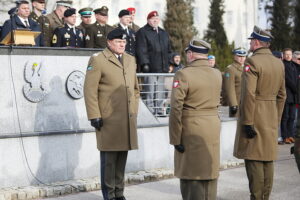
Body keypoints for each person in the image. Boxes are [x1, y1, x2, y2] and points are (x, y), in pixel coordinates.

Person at [83, 28, 140, 200]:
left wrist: (133, 110)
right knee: (109, 160)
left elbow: (136, 89)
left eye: (124, 42)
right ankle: (109, 195)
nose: (122, 44)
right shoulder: (98, 60)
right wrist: (94, 115)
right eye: (118, 42)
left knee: (122, 157)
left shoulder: (130, 59)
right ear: (109, 42)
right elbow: (89, 90)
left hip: (126, 119)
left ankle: (119, 193)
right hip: (107, 119)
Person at [233, 25, 286, 200]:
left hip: (254, 115)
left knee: (254, 159)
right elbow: (282, 95)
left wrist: (247, 121)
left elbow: (249, 94)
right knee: (267, 159)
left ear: (256, 42)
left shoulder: (252, 61)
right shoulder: (278, 63)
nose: (250, 44)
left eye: (251, 41)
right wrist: (275, 117)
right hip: (270, 115)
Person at [169, 38, 222, 200]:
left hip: (191, 128)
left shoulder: (183, 74)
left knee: (191, 177)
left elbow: (176, 108)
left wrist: (175, 138)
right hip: (212, 126)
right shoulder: (217, 73)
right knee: (209, 175)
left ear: (191, 54)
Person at [136, 10, 172, 115]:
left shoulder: (163, 32)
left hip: (162, 67)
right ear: (148, 20)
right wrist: (145, 63)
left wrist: (170, 62)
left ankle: (160, 109)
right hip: (150, 67)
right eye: (153, 19)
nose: (155, 21)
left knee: (160, 90)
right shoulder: (143, 32)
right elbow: (141, 49)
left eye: (157, 19)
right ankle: (150, 111)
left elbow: (168, 49)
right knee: (150, 90)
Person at [223, 47, 247, 117]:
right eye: (239, 56)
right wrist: (233, 104)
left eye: (244, 56)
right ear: (234, 56)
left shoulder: (247, 67)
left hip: (247, 103)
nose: (242, 58)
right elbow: (230, 88)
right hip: (237, 102)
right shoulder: (230, 69)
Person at [281, 48, 297, 144]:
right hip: (287, 94)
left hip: (294, 96)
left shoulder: (294, 66)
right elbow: (287, 79)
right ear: (283, 55)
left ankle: (290, 135)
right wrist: (296, 89)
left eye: (290, 54)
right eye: (286, 54)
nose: (288, 56)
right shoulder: (282, 65)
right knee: (285, 117)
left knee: (292, 117)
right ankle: (285, 136)